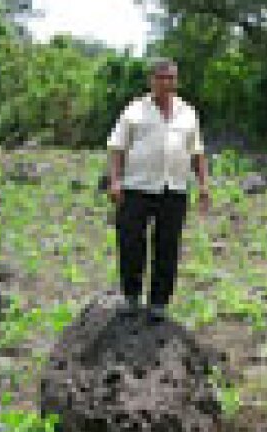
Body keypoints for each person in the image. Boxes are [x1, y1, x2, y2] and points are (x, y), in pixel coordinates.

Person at [106, 58, 210, 322]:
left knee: (168, 246)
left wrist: (203, 185)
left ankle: (159, 303)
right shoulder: (134, 110)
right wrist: (115, 181)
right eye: (161, 78)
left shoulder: (187, 112)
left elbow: (196, 151)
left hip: (173, 188)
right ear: (152, 80)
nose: (166, 83)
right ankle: (131, 297)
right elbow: (117, 147)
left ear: (176, 81)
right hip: (136, 187)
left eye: (171, 78)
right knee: (130, 242)